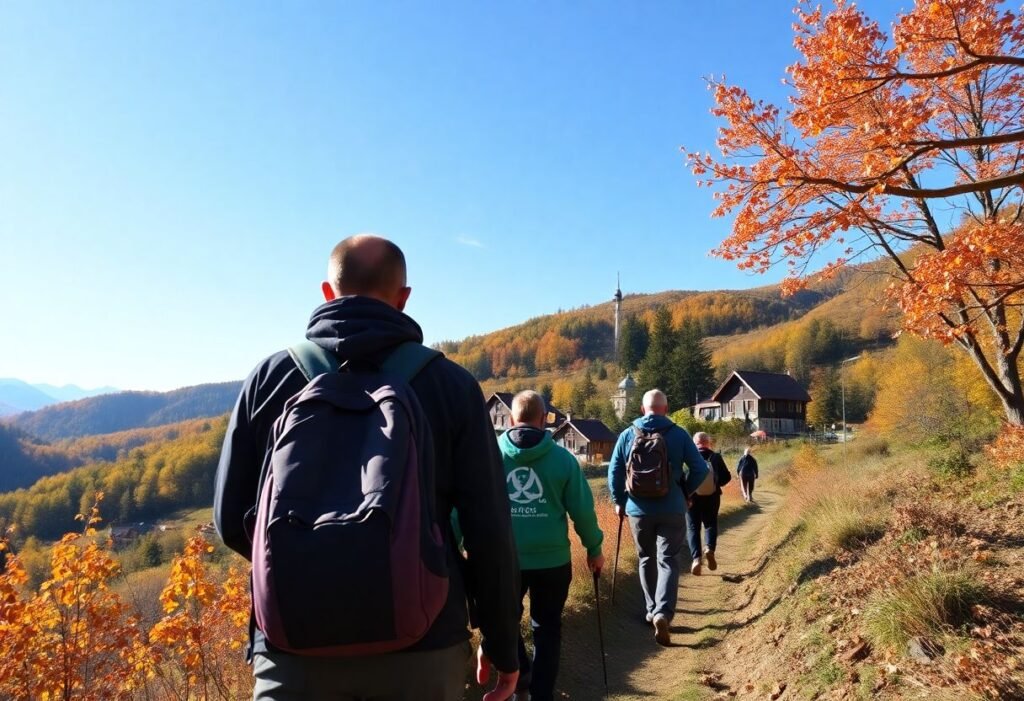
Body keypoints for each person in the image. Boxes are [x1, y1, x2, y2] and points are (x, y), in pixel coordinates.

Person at [214, 234, 520, 701]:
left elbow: (230, 518)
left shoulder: (271, 378)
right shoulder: (450, 385)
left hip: (293, 646)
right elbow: (490, 531)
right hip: (424, 642)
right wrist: (502, 643)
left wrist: (310, 565)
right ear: (404, 298)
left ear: (327, 292)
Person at [499, 390, 604, 701]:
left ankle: (521, 679)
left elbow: (467, 506)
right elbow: (583, 511)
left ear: (510, 419)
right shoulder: (563, 460)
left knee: (504, 624)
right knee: (547, 630)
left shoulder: (489, 454)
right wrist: (594, 548)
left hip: (505, 561)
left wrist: (458, 542)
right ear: (544, 420)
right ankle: (540, 695)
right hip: (553, 562)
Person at [607, 389, 705, 646]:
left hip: (638, 510)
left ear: (642, 409)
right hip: (672, 507)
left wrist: (619, 500)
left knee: (646, 558)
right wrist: (686, 493)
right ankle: (664, 612)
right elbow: (700, 469)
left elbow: (615, 470)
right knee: (669, 559)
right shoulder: (680, 434)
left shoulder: (628, 434)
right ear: (666, 407)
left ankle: (651, 610)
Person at [687, 432, 731, 576]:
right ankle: (709, 549)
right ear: (708, 442)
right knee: (710, 524)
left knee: (693, 527)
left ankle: (696, 559)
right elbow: (726, 477)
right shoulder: (716, 457)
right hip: (712, 496)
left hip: (692, 497)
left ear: (695, 443)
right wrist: (716, 483)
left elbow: (683, 476)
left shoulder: (689, 456)